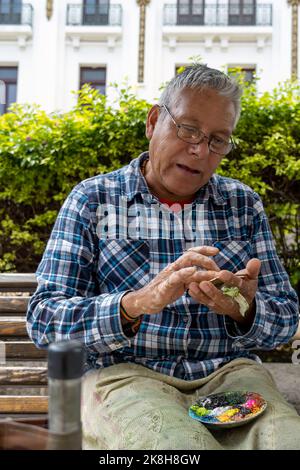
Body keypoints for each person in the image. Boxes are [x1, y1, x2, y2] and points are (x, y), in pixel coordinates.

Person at [27, 64, 300, 450]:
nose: (200, 150)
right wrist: (137, 304)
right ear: (154, 121)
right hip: (122, 378)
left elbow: (288, 319)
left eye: (218, 140)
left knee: (287, 440)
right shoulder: (93, 201)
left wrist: (244, 309)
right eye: (188, 129)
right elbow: (44, 319)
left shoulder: (243, 205)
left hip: (230, 377)